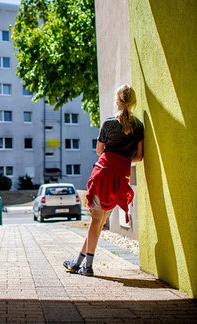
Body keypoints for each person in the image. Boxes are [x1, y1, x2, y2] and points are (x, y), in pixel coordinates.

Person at [63, 84, 144, 276]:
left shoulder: (108, 123)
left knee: (96, 221)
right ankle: (78, 262)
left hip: (103, 175)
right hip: (120, 179)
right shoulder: (139, 126)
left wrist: (114, 156)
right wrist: (123, 159)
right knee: (98, 222)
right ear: (133, 102)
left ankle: (87, 267)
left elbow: (100, 151)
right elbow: (139, 157)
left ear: (117, 100)